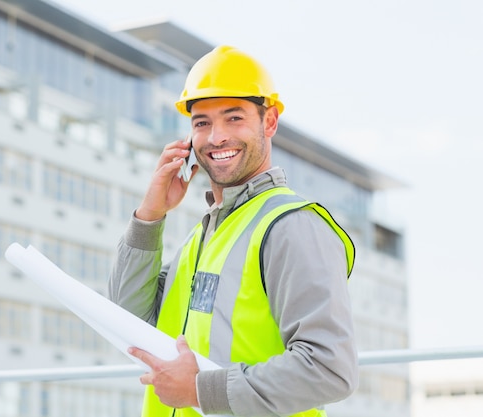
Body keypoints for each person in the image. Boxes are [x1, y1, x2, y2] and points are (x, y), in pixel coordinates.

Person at [108, 45, 358, 417]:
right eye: (201, 123)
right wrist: (150, 215)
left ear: (269, 121)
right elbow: (128, 320)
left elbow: (328, 368)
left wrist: (198, 390)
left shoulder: (292, 226)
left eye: (234, 118)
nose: (216, 137)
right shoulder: (203, 238)